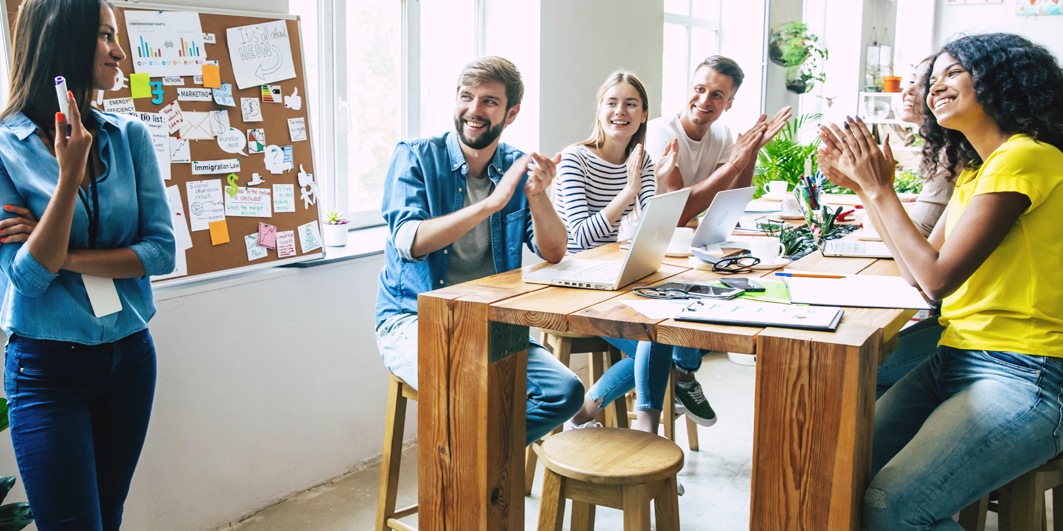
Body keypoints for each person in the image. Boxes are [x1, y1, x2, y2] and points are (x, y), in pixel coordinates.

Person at [818, 33, 1063, 531]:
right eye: (933, 79)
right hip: (955, 357)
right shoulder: (978, 171)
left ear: (1000, 80)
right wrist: (868, 191)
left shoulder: (1026, 157)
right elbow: (920, 275)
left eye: (953, 72)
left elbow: (937, 279)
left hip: (1029, 373)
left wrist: (878, 186)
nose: (936, 87)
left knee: (894, 506)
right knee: (833, 474)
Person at [0, 0, 177, 528]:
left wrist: (66, 255)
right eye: (105, 36)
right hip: (47, 370)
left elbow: (161, 252)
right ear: (62, 41)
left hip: (129, 358)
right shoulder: (6, 149)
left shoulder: (130, 137)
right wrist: (67, 175)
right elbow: (28, 277)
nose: (119, 51)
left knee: (108, 516)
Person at [374, 56, 583, 446]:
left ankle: (476, 461)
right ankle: (471, 478)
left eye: (489, 101)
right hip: (413, 319)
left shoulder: (516, 166)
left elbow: (553, 252)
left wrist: (538, 197)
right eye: (466, 97)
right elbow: (409, 241)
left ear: (511, 112)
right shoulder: (416, 156)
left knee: (565, 392)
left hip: (489, 321)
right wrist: (488, 204)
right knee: (470, 386)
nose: (474, 110)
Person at [643, 55, 792, 426]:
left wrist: (751, 151)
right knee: (693, 297)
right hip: (653, 245)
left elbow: (735, 196)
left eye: (717, 95)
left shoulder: (724, 135)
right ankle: (683, 375)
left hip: (686, 247)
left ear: (729, 103)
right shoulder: (661, 132)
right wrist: (733, 164)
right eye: (700, 89)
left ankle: (682, 373)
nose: (705, 100)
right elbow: (678, 210)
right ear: (688, 89)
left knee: (733, 287)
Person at [552, 71, 674, 437]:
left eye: (631, 104)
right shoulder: (575, 159)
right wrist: (628, 192)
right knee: (656, 337)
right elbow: (582, 238)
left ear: (643, 114)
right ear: (600, 109)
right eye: (612, 102)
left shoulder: (643, 159)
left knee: (675, 335)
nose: (620, 111)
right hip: (574, 284)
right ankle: (650, 438)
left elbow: (646, 231)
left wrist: (647, 187)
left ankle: (585, 411)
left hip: (620, 280)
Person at [818, 57, 948, 399]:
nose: (908, 91)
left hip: (978, 333)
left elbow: (918, 254)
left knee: (846, 365)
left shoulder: (961, 161)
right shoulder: (950, 153)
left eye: (920, 83)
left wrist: (876, 189)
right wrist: (864, 188)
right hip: (949, 314)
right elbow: (912, 266)